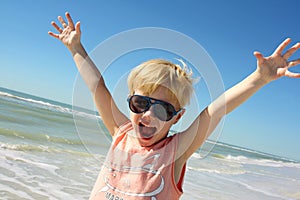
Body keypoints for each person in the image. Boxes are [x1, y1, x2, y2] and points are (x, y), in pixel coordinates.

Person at [48, 12, 300, 200]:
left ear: (176, 118)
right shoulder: (121, 133)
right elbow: (97, 87)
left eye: (161, 110)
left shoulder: (175, 152)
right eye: (140, 103)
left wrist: (259, 79)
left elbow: (214, 111)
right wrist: (76, 48)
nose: (148, 114)